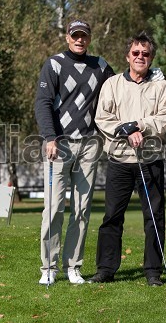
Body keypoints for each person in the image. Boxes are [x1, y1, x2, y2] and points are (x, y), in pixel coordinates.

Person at [88, 31, 166, 286]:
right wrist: (125, 130)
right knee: (112, 217)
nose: (140, 57)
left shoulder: (161, 86)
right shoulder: (112, 84)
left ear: (151, 57)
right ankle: (106, 269)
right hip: (119, 160)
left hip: (150, 159)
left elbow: (165, 117)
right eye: (135, 53)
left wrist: (140, 126)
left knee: (154, 216)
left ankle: (153, 271)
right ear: (127, 56)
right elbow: (102, 117)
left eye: (145, 54)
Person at [34, 19, 115, 285]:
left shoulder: (100, 66)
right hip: (60, 143)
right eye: (75, 35)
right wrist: (49, 136)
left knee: (82, 209)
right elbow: (43, 103)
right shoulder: (55, 64)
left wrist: (152, 75)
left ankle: (73, 266)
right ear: (67, 37)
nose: (79, 40)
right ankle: (49, 267)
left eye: (84, 36)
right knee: (54, 207)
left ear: (89, 38)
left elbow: (119, 89)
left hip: (90, 144)